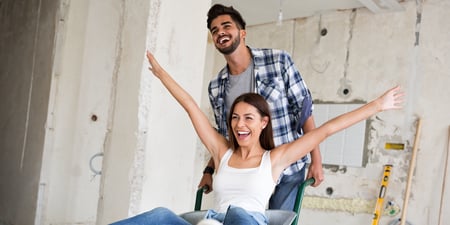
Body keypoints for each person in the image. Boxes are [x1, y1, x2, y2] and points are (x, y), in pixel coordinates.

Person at [109, 51, 404, 225]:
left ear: (263, 123)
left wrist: (377, 105)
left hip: (248, 222)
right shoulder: (221, 151)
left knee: (239, 213)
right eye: (235, 118)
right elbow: (190, 106)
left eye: (248, 118)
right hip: (214, 220)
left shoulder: (274, 159)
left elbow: (325, 130)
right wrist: (161, 74)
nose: (239, 124)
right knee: (161, 215)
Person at [198, 4, 324, 211]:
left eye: (226, 26)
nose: (220, 32)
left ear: (242, 32)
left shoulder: (278, 62)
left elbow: (304, 111)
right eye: (214, 30)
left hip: (286, 166)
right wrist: (209, 170)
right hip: (246, 169)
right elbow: (225, 136)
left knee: (279, 221)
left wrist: (316, 161)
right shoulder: (216, 86)